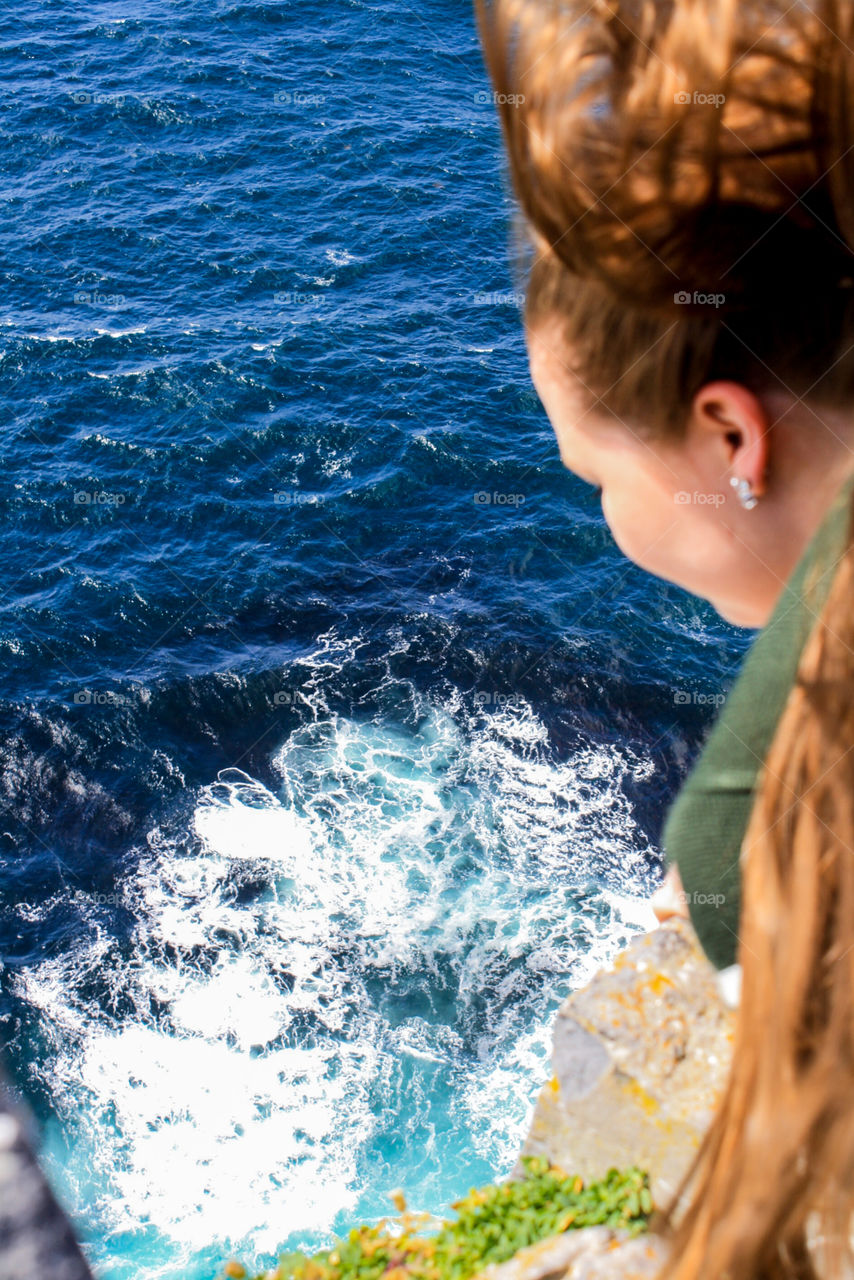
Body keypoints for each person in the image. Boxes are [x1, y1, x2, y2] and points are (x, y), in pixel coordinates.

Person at [475, 1, 854, 1276]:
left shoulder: (744, 833)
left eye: (593, 472)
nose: (601, 514)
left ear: (729, 440)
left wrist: (742, 861)